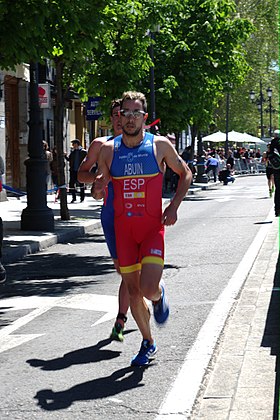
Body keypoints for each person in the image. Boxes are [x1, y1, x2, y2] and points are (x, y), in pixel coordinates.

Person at [93, 91, 192, 366]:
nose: (130, 118)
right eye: (126, 113)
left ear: (144, 118)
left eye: (136, 113)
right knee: (133, 292)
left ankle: (159, 297)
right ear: (119, 117)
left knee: (148, 289)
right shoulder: (109, 150)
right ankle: (148, 342)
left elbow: (185, 173)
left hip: (151, 229)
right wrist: (98, 188)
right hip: (123, 231)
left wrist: (173, 206)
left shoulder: (159, 146)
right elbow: (98, 190)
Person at [78, 99, 130, 342]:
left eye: (124, 113)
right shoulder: (101, 144)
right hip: (110, 214)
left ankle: (121, 318)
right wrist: (99, 180)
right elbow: (81, 175)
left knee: (133, 271)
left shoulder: (143, 144)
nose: (120, 118)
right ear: (111, 119)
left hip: (136, 213)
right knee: (123, 271)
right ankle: (150, 295)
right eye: (116, 114)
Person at [268, 130, 280, 216]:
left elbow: (269, 154)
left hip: (276, 168)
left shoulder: (272, 143)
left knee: (278, 189)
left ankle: (277, 209)